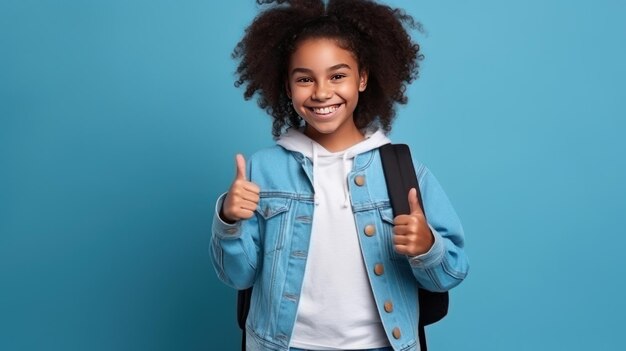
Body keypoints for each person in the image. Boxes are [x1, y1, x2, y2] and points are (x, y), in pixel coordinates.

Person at [210, 1, 469, 350]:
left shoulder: (402, 170)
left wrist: (427, 248)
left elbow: (451, 273)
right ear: (287, 87)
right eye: (304, 79)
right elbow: (236, 275)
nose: (321, 92)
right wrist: (228, 220)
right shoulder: (262, 170)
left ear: (362, 78)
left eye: (337, 75)